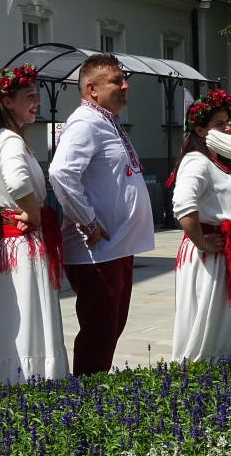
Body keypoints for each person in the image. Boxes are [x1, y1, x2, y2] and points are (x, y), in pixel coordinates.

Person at [49, 53, 154, 375]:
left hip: (117, 246)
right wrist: (88, 220)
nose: (126, 85)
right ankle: (85, 401)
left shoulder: (106, 120)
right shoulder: (85, 123)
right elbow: (62, 173)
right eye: (117, 81)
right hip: (98, 251)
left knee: (110, 330)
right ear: (92, 89)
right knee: (99, 332)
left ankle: (95, 395)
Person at [0, 64, 69, 383]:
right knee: (29, 318)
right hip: (22, 241)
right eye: (29, 96)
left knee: (14, 320)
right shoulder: (10, 141)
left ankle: (15, 382)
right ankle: (30, 383)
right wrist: (32, 213)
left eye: (37, 96)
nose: (37, 102)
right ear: (7, 101)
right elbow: (18, 183)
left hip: (10, 241)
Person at [169, 88, 231, 363]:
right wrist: (203, 243)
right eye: (219, 123)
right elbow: (183, 205)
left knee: (225, 321)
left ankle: (229, 373)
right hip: (211, 256)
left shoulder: (216, 163)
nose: (228, 128)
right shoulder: (196, 161)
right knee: (209, 323)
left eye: (227, 122)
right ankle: (205, 373)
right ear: (200, 129)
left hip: (226, 251)